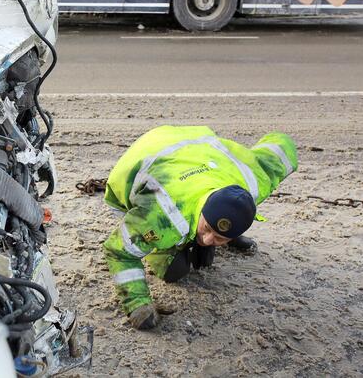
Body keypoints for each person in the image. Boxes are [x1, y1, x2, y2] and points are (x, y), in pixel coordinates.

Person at [102, 125, 297, 330]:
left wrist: (217, 232)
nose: (210, 240)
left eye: (221, 237)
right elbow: (118, 252)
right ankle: (185, 243)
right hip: (143, 158)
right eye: (208, 228)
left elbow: (281, 146)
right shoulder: (163, 216)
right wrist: (137, 304)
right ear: (202, 211)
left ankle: (216, 230)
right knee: (174, 272)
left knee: (222, 224)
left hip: (196, 144)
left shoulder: (252, 180)